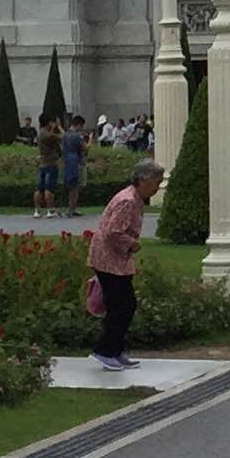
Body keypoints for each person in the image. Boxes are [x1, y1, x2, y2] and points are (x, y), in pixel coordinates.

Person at [86, 159, 166, 371]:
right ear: (143, 180)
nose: (157, 188)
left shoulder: (134, 198)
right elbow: (113, 231)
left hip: (115, 259)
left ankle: (116, 350)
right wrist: (132, 244)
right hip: (108, 259)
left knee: (122, 305)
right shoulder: (129, 201)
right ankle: (105, 350)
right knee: (122, 305)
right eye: (156, 182)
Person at [32, 116, 62, 219]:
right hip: (51, 163)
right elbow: (61, 136)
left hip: (42, 163)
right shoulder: (47, 135)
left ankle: (37, 210)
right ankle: (50, 210)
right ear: (47, 122)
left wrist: (53, 129)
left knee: (39, 188)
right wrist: (58, 127)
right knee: (49, 188)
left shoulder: (40, 133)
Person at [59, 114, 88, 219]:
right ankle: (71, 209)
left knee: (70, 185)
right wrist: (90, 140)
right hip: (77, 161)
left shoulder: (65, 134)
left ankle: (71, 209)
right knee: (75, 187)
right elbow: (85, 148)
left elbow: (62, 148)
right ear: (79, 125)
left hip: (67, 160)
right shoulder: (78, 135)